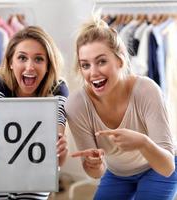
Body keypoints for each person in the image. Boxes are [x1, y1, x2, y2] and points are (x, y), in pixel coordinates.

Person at [65, 17, 177, 200]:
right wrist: (93, 164)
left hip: (157, 168)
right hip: (118, 173)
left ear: (120, 59)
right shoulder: (77, 105)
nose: (93, 72)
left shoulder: (146, 90)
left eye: (101, 61)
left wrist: (143, 142)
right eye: (85, 65)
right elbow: (96, 173)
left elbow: (167, 167)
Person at [0, 26, 69, 199]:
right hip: (1, 160)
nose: (30, 67)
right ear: (11, 63)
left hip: (37, 161)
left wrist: (59, 155)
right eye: (22, 58)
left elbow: (56, 138)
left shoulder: (58, 88)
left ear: (48, 65)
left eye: (38, 59)